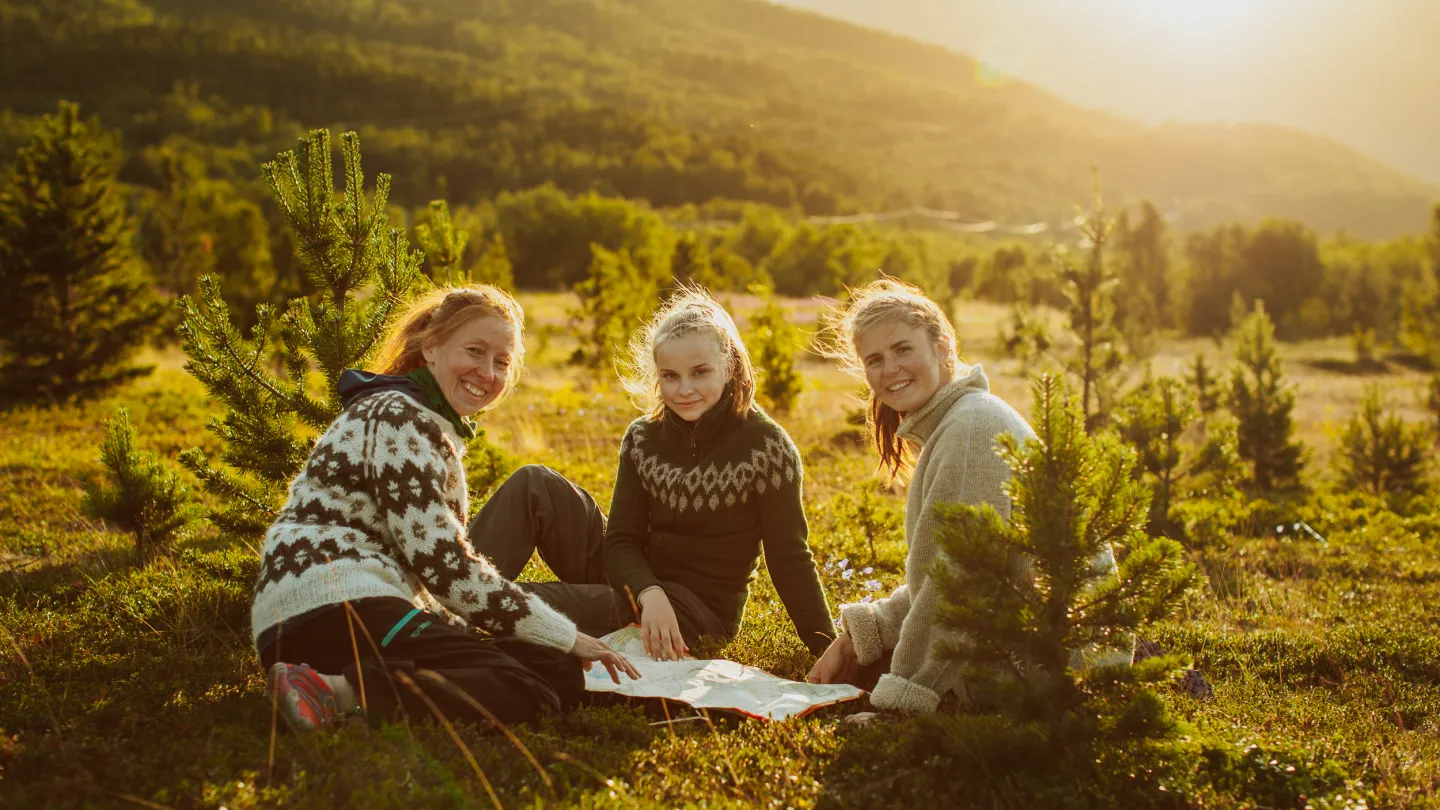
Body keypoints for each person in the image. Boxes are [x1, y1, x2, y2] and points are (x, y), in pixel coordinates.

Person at [254, 285, 639, 734]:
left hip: (355, 607)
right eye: (474, 350)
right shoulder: (398, 417)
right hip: (329, 607)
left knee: (554, 671)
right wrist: (568, 634)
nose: (487, 372)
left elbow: (424, 574)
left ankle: (354, 694)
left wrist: (536, 643)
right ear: (431, 346)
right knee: (523, 687)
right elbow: (445, 566)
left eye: (502, 362)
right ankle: (334, 692)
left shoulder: (422, 419)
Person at [806, 279, 1126, 714]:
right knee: (868, 666)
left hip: (1058, 670)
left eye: (903, 349)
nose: (890, 369)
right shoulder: (960, 419)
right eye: (875, 359)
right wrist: (859, 637)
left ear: (943, 348)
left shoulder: (972, 429)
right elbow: (941, 575)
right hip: (1038, 644)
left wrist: (902, 706)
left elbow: (962, 585)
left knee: (882, 684)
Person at [470, 287, 835, 661]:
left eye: (700, 372)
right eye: (671, 376)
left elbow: (790, 557)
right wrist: (648, 591)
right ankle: (439, 592)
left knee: (525, 602)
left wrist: (828, 646)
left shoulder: (766, 447)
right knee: (535, 484)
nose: (685, 389)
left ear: (730, 366)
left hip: (696, 613)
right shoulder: (643, 437)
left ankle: (448, 619)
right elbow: (622, 541)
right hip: (639, 585)